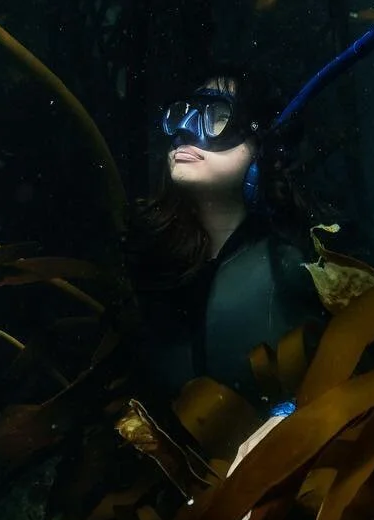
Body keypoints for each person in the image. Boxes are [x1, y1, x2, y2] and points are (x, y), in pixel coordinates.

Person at [127, 68, 331, 414]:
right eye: (181, 114)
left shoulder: (300, 262)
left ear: (263, 144)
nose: (185, 130)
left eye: (217, 117)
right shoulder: (149, 268)